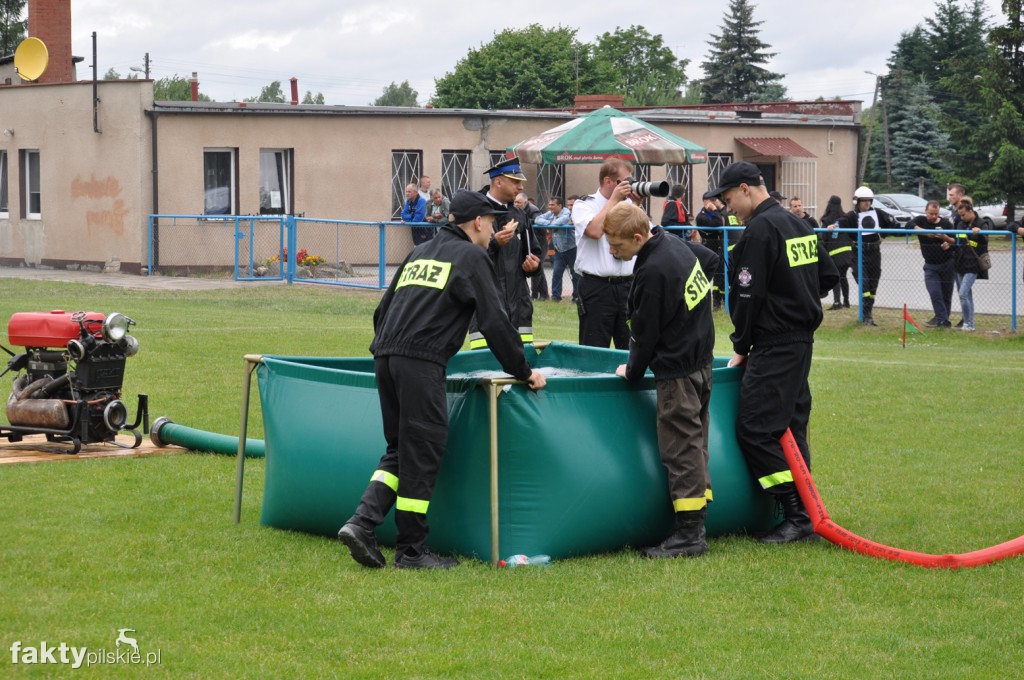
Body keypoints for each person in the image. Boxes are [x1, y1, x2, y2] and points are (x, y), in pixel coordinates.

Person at [338, 190, 548, 570]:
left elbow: (382, 310)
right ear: (478, 223)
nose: (494, 228)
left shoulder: (419, 254)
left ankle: (362, 523)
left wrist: (391, 349)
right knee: (423, 451)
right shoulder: (472, 256)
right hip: (420, 362)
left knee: (401, 449)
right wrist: (524, 370)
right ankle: (412, 552)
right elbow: (496, 321)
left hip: (385, 356)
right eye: (492, 221)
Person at [708, 161, 838, 544]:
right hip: (801, 341)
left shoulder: (759, 231)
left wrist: (742, 345)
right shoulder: (798, 223)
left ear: (746, 188)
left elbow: (747, 297)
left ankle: (796, 514)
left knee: (756, 429)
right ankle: (809, 514)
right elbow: (828, 277)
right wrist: (797, 294)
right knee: (791, 428)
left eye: (729, 199)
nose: (728, 208)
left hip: (774, 343)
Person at [606, 202, 717, 558]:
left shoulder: (653, 271)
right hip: (701, 363)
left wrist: (632, 371)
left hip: (677, 373)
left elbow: (643, 333)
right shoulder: (676, 245)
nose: (612, 251)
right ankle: (699, 521)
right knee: (696, 443)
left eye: (617, 246)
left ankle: (689, 535)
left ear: (638, 237)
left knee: (680, 449)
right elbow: (711, 263)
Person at [467, 157, 543, 350]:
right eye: (515, 182)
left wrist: (534, 266)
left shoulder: (520, 215)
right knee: (487, 371)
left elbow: (532, 252)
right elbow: (465, 257)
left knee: (521, 368)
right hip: (486, 305)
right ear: (498, 181)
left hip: (519, 306)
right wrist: (494, 244)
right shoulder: (474, 211)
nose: (520, 188)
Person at [571, 158, 639, 348]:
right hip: (597, 288)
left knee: (631, 348)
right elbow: (594, 231)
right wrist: (614, 200)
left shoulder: (628, 206)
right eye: (624, 181)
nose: (628, 185)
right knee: (594, 348)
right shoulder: (584, 204)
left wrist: (636, 206)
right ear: (608, 181)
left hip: (627, 286)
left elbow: (643, 237)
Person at [832, 186, 897, 326]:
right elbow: (840, 222)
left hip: (874, 252)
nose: (867, 203)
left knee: (873, 284)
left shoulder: (878, 213)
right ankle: (866, 314)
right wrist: (834, 226)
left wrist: (883, 235)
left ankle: (868, 314)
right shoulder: (852, 215)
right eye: (864, 201)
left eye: (869, 200)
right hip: (859, 252)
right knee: (864, 283)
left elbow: (892, 223)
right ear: (857, 201)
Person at [942, 197, 989, 332]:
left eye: (963, 215)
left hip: (973, 265)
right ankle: (968, 324)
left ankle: (969, 324)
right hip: (960, 263)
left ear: (970, 211)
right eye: (959, 215)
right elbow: (958, 243)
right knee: (966, 295)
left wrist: (979, 234)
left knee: (962, 294)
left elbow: (985, 242)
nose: (961, 218)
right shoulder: (961, 225)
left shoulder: (982, 223)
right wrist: (949, 245)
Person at [910, 200, 955, 328]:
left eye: (936, 214)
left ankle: (942, 319)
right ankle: (942, 319)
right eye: (931, 213)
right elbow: (909, 225)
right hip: (930, 266)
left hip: (947, 264)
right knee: (935, 292)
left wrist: (946, 240)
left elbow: (955, 240)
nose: (934, 216)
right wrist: (924, 232)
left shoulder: (946, 223)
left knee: (946, 294)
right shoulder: (920, 220)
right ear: (926, 211)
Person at [535, 196, 577, 302]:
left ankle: (576, 297)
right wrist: (549, 223)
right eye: (549, 205)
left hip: (571, 249)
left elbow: (559, 222)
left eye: (552, 205)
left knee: (575, 274)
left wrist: (550, 223)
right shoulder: (551, 213)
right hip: (558, 249)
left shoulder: (566, 213)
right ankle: (555, 297)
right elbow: (537, 219)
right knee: (557, 273)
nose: (549, 207)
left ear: (559, 206)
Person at [819, 195, 854, 310]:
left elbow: (824, 237)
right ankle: (846, 302)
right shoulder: (844, 218)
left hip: (835, 253)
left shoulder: (827, 219)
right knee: (843, 277)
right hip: (847, 252)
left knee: (836, 278)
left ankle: (837, 302)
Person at [694, 191, 727, 310]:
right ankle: (707, 302)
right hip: (708, 247)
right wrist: (714, 210)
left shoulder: (715, 213)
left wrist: (715, 211)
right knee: (706, 276)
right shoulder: (701, 216)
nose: (714, 204)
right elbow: (718, 223)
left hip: (718, 247)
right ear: (705, 202)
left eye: (714, 201)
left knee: (719, 276)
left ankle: (719, 302)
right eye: (711, 201)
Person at [516, 192, 548, 301]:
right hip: (530, 241)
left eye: (519, 202)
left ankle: (535, 295)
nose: (516, 204)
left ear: (525, 203)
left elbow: (538, 221)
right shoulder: (517, 211)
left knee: (536, 266)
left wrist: (524, 221)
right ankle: (543, 294)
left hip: (540, 243)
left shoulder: (534, 210)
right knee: (539, 269)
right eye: (515, 202)